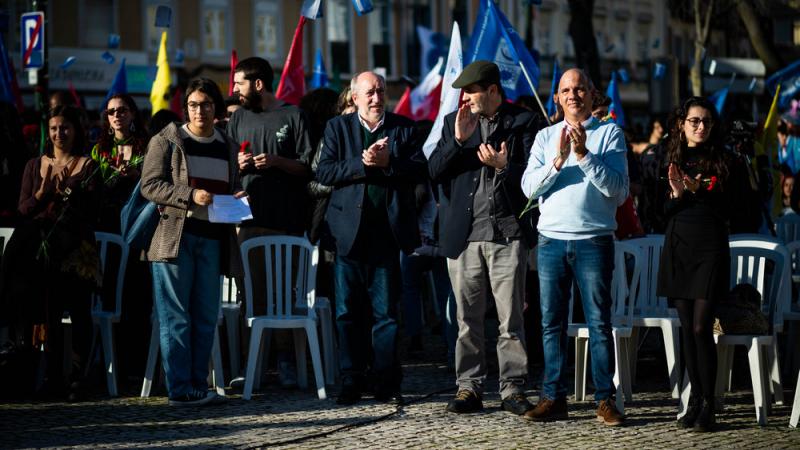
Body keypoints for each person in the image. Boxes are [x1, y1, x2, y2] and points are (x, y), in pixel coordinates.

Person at [428, 60, 543, 416]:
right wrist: (459, 140)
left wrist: (504, 168)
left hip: (507, 234)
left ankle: (512, 387)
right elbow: (433, 171)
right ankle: (469, 387)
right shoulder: (454, 122)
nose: (465, 98)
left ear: (493, 91)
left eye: (472, 91)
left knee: (511, 320)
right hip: (464, 237)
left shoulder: (525, 123)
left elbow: (534, 181)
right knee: (466, 319)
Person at [520, 68, 628, 426]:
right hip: (551, 240)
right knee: (551, 324)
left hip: (594, 239)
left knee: (598, 323)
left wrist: (583, 155)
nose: (573, 95)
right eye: (565, 90)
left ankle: (605, 399)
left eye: (579, 88)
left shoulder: (609, 132)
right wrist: (558, 160)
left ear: (592, 94)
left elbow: (618, 190)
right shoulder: (544, 136)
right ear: (557, 97)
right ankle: (553, 396)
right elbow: (529, 189)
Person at [317, 71, 424, 405]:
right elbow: (324, 172)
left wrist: (389, 162)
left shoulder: (404, 127)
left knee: (386, 315)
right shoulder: (338, 128)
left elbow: (421, 171)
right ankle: (351, 379)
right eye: (370, 93)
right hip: (347, 235)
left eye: (380, 91)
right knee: (347, 313)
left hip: (386, 236)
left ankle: (386, 381)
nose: (377, 98)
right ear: (355, 98)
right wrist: (362, 164)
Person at [140, 78, 244, 407]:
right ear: (185, 108)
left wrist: (236, 199)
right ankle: (180, 389)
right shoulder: (167, 140)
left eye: (207, 104)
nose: (200, 111)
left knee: (205, 315)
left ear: (217, 108)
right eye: (194, 105)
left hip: (212, 239)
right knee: (176, 318)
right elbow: (150, 185)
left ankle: (198, 386)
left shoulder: (226, 144)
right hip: (174, 240)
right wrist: (189, 195)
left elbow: (230, 186)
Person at [0, 105, 99, 401]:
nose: (59, 133)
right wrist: (42, 195)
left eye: (65, 127)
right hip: (40, 252)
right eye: (54, 128)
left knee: (77, 309)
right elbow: (23, 210)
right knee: (45, 310)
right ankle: (50, 377)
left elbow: (91, 212)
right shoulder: (34, 165)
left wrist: (71, 195)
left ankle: (79, 377)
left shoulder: (87, 165)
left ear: (76, 130)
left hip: (74, 251)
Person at [228, 56, 314, 387]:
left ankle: (288, 363)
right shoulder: (238, 119)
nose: (234, 89)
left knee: (286, 295)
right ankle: (256, 366)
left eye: (239, 83)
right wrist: (239, 162)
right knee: (251, 296)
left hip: (287, 221)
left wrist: (278, 161)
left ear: (258, 84)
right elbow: (229, 168)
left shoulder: (293, 116)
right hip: (248, 220)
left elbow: (308, 167)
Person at [656, 97, 730, 432]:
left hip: (710, 249)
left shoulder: (724, 159)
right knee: (687, 329)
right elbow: (658, 214)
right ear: (681, 124)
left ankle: (710, 404)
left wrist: (699, 190)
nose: (701, 127)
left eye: (706, 122)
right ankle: (695, 399)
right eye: (694, 121)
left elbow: (736, 208)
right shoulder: (671, 158)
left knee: (703, 328)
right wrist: (676, 195)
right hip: (679, 248)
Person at [92, 94, 152, 382]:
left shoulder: (146, 146)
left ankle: (135, 369)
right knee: (109, 297)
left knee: (135, 299)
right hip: (108, 230)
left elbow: (155, 179)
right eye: (111, 112)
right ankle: (108, 366)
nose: (117, 116)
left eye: (122, 110)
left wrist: (136, 174)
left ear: (132, 114)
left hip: (137, 230)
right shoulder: (99, 150)